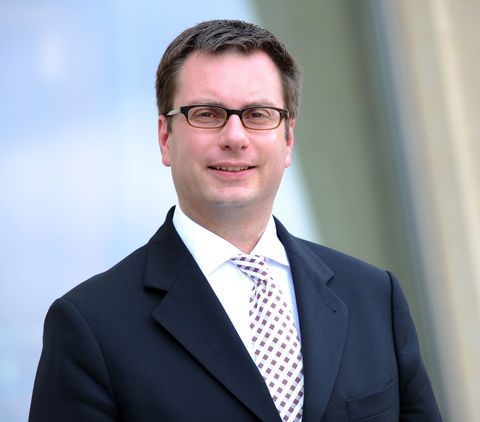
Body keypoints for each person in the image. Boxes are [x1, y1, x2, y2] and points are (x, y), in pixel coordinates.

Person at [29, 19, 442, 422]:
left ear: (288, 139)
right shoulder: (90, 326)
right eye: (207, 114)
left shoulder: (373, 296)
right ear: (165, 137)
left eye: (258, 114)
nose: (234, 136)